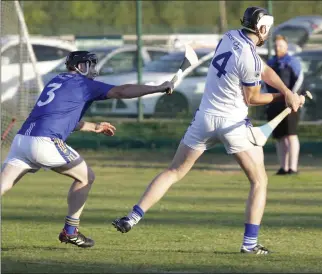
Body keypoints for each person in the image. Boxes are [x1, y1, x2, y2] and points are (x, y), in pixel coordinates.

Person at [112, 7, 305, 255]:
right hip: (232, 124)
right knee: (259, 181)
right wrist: (284, 97)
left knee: (173, 171)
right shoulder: (251, 58)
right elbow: (252, 98)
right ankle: (249, 244)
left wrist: (287, 92)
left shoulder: (229, 36)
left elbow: (263, 68)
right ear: (263, 29)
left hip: (204, 119)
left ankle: (132, 217)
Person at [0, 51, 173, 248]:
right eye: (91, 64)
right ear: (81, 66)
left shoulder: (57, 80)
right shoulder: (83, 83)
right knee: (86, 177)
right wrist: (158, 88)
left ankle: (70, 231)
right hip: (44, 141)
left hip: (22, 140)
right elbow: (122, 91)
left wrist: (94, 127)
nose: (95, 69)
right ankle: (70, 231)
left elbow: (63, 117)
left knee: (3, 185)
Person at [265, 35, 304, 175]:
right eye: (276, 45)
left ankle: (293, 168)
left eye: (281, 45)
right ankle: (283, 167)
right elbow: (264, 83)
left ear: (286, 47)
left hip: (289, 104)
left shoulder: (292, 62)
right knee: (279, 137)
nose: (277, 48)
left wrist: (292, 96)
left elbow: (299, 79)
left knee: (291, 135)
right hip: (274, 103)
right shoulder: (271, 63)